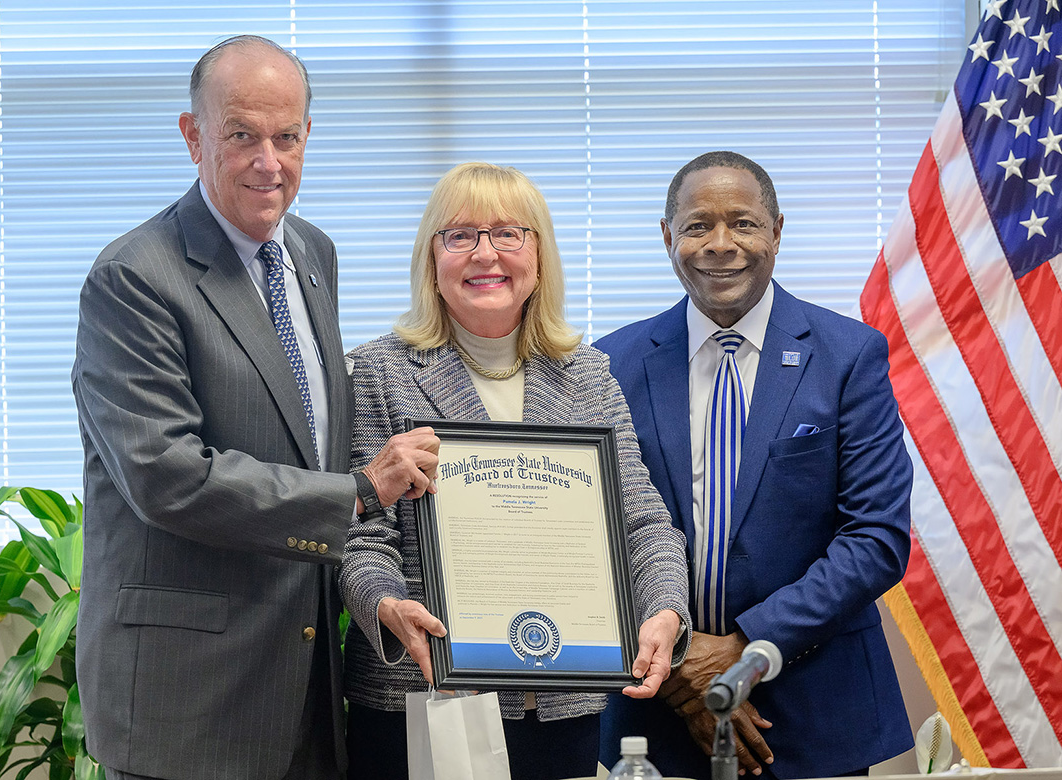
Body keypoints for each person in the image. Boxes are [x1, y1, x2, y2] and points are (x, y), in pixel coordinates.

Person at [72, 36, 438, 780]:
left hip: (302, 686)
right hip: (189, 696)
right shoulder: (133, 278)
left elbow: (307, 438)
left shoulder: (311, 253)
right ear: (193, 134)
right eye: (242, 135)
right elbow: (164, 475)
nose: (269, 162)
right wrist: (361, 492)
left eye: (287, 136)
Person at [337, 161, 692, 780]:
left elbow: (642, 524)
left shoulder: (587, 375)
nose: (486, 254)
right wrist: (387, 603)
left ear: (539, 253)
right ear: (432, 258)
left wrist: (665, 609)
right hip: (422, 701)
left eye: (508, 233)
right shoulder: (375, 372)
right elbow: (362, 532)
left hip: (559, 710)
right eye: (460, 235)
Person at [596, 151, 914, 779]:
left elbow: (876, 538)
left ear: (776, 230)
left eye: (742, 223)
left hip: (813, 704)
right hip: (655, 710)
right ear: (668, 237)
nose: (720, 245)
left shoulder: (848, 356)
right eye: (696, 226)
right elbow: (596, 537)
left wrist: (741, 651)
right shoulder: (611, 364)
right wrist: (684, 667)